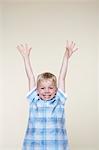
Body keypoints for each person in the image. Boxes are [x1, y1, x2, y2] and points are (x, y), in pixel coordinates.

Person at [17, 41, 78, 150]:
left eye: (50, 88)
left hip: (56, 146)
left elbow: (62, 77)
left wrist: (66, 56)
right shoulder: (34, 100)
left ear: (56, 89)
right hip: (34, 145)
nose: (46, 91)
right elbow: (30, 77)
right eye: (42, 88)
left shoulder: (59, 101)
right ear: (37, 89)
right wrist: (26, 57)